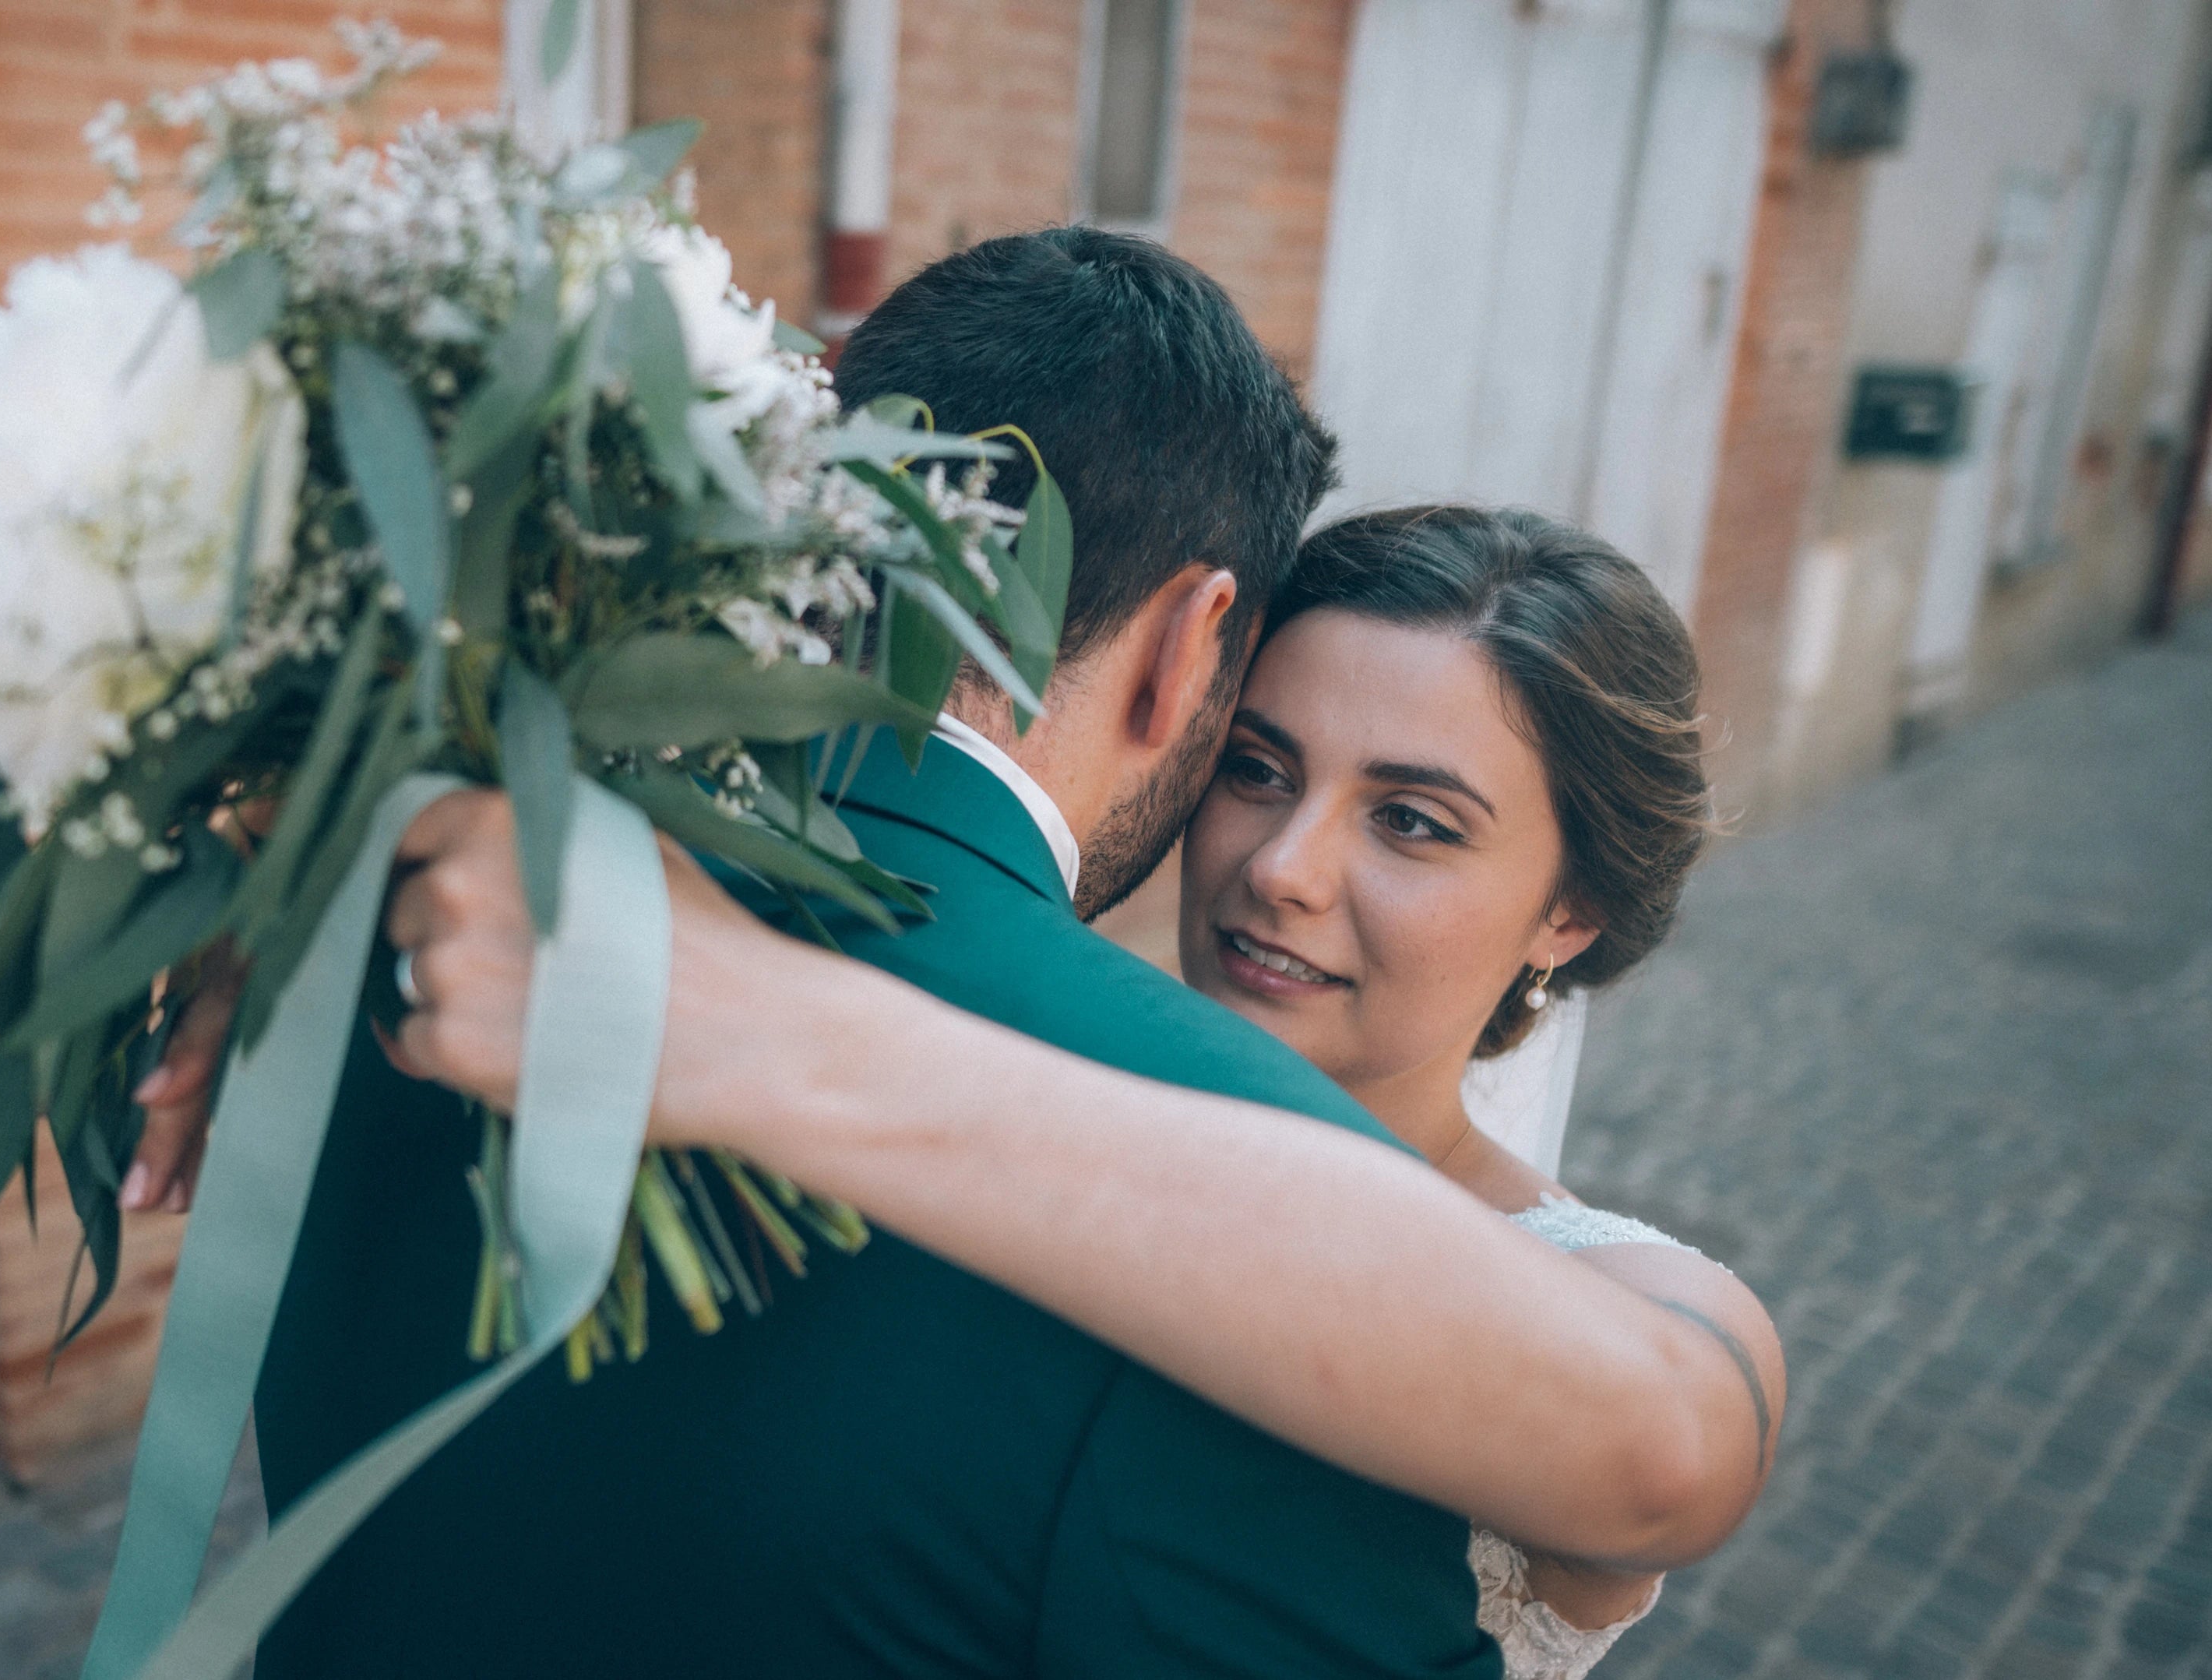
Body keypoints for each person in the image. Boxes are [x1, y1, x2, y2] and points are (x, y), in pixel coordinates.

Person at [131, 231, 1771, 1676]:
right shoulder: (496, 913)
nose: (1277, 865)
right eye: (1255, 762)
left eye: (1414, 820)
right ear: (1196, 651)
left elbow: (1666, 1442)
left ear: (1572, 910)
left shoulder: (496, 922)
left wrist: (756, 1023)